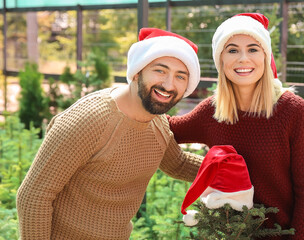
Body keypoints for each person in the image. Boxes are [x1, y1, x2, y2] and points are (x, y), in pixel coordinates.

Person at [169, 13, 304, 240]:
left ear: (265, 56)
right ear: (220, 59)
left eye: (253, 49)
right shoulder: (212, 112)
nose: (243, 58)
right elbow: (167, 128)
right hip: (258, 234)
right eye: (232, 50)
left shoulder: (291, 109)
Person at [16, 28, 203, 239]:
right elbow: (34, 196)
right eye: (160, 70)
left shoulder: (157, 123)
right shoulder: (88, 119)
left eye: (180, 76)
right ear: (137, 71)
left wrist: (233, 172)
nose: (169, 84)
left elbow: (178, 164)